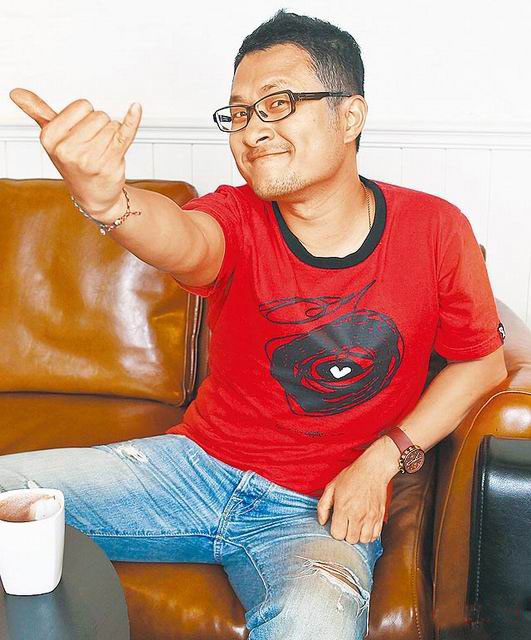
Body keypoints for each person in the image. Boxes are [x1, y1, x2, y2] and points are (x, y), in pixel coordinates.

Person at [4, 9, 507, 640]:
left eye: (278, 103)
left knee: (314, 621)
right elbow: (184, 239)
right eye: (239, 113)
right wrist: (109, 200)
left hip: (318, 511)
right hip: (190, 472)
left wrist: (382, 459)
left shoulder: (434, 229)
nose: (252, 130)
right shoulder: (235, 217)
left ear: (350, 116)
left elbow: (480, 361)